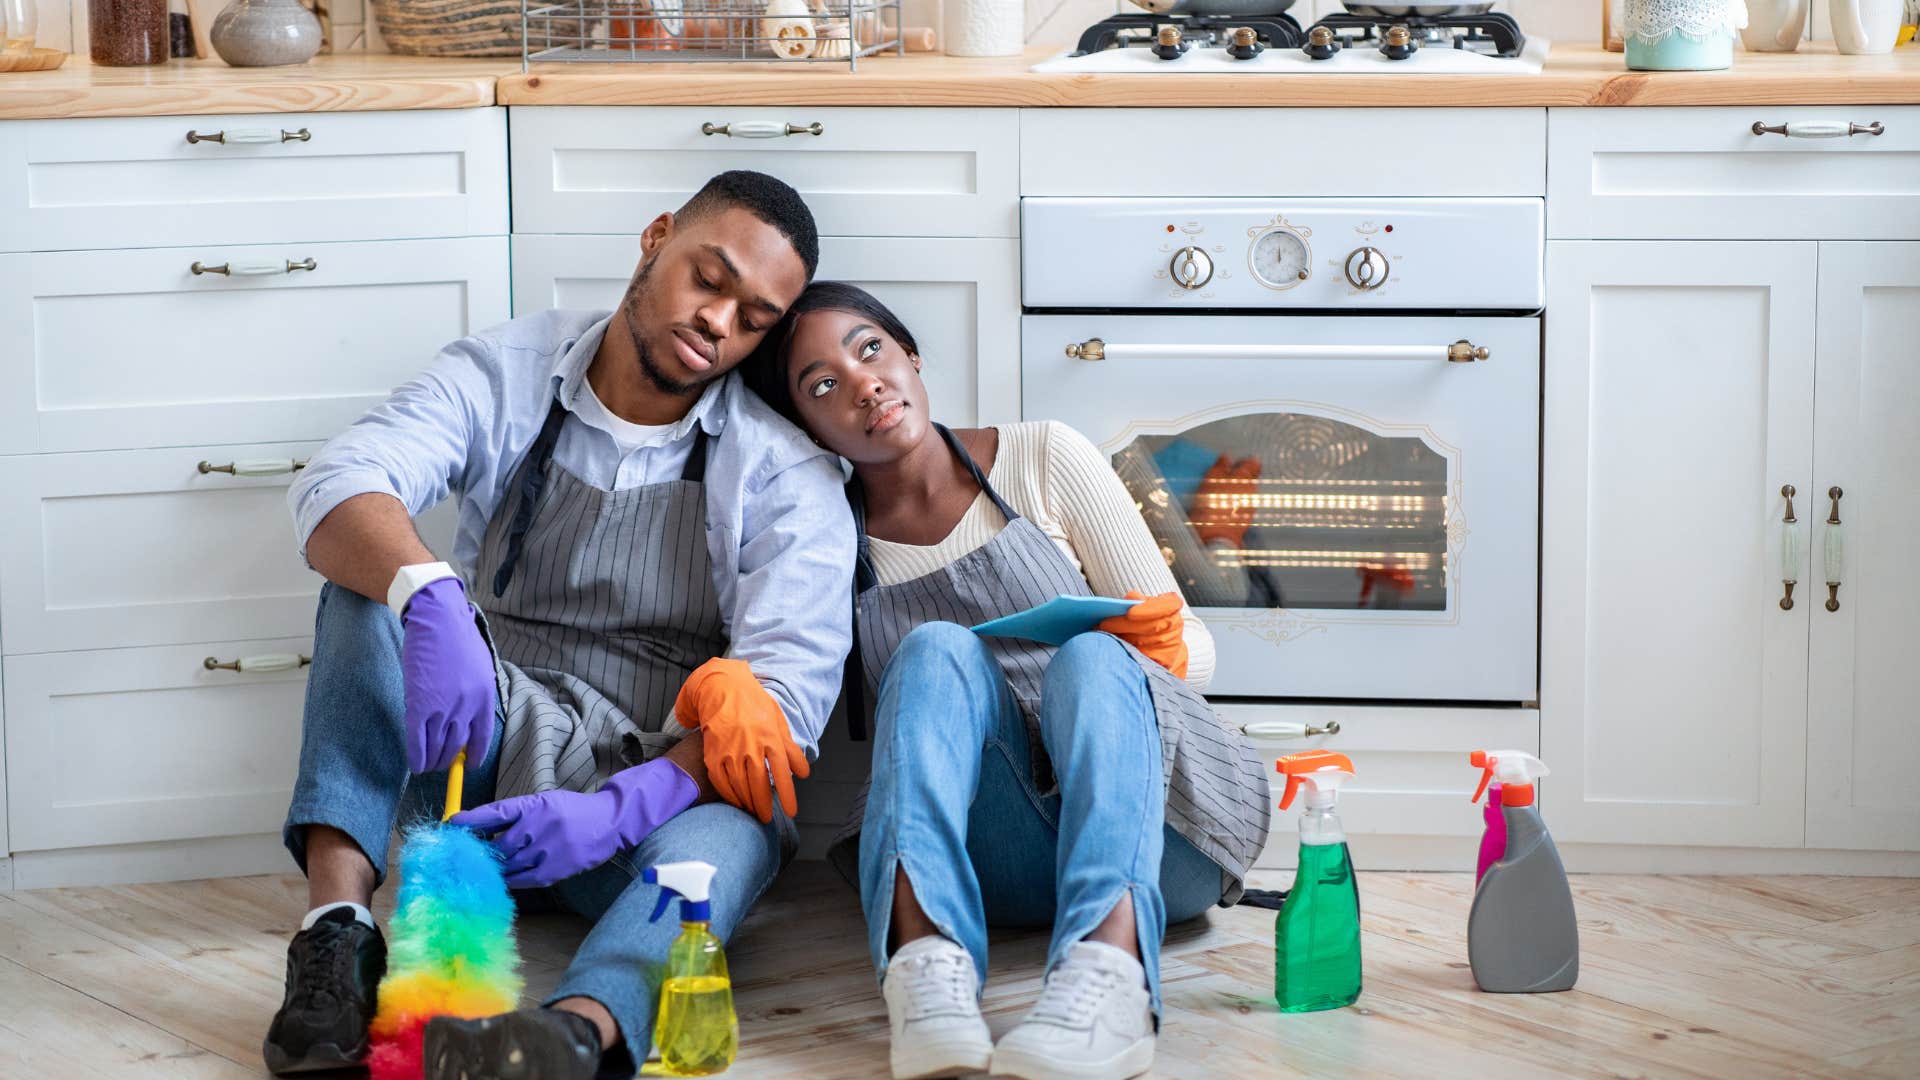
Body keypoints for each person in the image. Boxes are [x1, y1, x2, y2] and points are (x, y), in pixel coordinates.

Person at [263, 171, 854, 1080]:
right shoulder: (503, 372)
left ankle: (574, 1033)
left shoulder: (784, 473)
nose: (720, 324)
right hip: (479, 757)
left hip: (654, 783)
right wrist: (430, 597)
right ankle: (337, 941)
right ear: (655, 236)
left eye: (756, 317)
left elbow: (787, 700)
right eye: (709, 278)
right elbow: (338, 482)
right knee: (363, 588)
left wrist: (622, 805)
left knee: (733, 835)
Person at [742, 283, 1272, 1080]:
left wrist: (1153, 648)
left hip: (1166, 829)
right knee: (930, 653)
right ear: (805, 426)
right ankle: (926, 979)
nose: (863, 384)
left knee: (1091, 657)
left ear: (910, 355)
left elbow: (1196, 647)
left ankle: (1109, 975)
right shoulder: (823, 535)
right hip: (1000, 857)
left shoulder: (1043, 455)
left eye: (870, 349)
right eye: (823, 385)